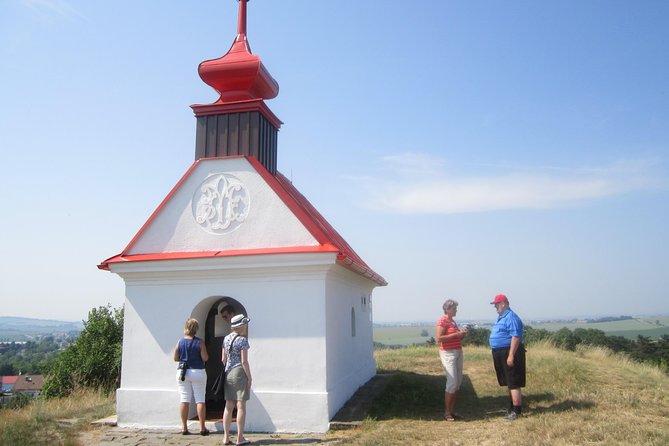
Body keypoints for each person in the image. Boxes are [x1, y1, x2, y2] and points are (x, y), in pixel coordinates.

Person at [489, 294, 526, 420]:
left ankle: (516, 411)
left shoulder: (511, 317)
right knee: (509, 382)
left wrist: (511, 355)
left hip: (508, 352)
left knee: (513, 382)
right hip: (501, 352)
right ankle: (511, 408)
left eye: (496, 304)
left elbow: (515, 336)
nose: (495, 307)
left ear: (503, 303)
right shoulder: (501, 317)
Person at [172, 318, 210, 435]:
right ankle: (202, 428)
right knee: (200, 400)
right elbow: (205, 358)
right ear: (196, 329)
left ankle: (184, 427)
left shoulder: (180, 341)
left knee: (184, 399)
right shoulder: (199, 342)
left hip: (183, 372)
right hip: (197, 371)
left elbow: (175, 358)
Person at [222, 314, 252, 446]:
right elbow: (244, 361)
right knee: (241, 406)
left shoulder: (226, 339)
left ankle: (226, 437)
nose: (246, 326)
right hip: (239, 372)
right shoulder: (242, 340)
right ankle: (240, 438)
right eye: (245, 324)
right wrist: (249, 378)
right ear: (240, 326)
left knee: (228, 406)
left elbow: (223, 359)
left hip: (228, 372)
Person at [436, 299, 467, 421]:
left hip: (457, 351)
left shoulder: (452, 321)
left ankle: (452, 410)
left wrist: (461, 334)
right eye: (454, 308)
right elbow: (439, 338)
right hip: (448, 353)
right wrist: (456, 335)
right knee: (452, 382)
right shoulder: (442, 320)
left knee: (458, 382)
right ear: (447, 309)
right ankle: (447, 412)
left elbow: (454, 336)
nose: (456, 310)